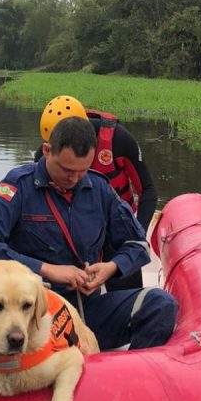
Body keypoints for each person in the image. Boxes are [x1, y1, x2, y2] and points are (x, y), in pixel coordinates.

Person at [0, 116, 177, 351]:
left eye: (82, 170)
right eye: (66, 170)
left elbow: (138, 244)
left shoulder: (99, 188)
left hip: (89, 309)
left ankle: (128, 372)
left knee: (161, 305)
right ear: (47, 151)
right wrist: (46, 270)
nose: (74, 179)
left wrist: (110, 268)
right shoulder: (18, 186)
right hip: (36, 314)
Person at [35, 95, 158, 290]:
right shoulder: (48, 156)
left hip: (117, 227)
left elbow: (148, 191)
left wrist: (136, 237)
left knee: (127, 285)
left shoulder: (119, 139)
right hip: (77, 231)